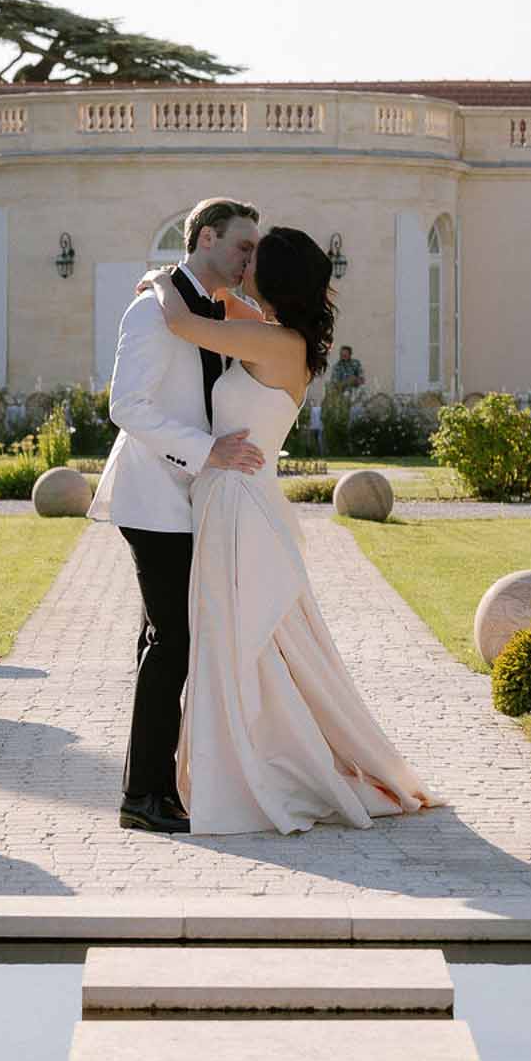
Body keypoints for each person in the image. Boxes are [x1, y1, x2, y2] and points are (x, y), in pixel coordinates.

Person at [150, 227, 442, 835]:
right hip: (237, 497)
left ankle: (255, 768)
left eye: (253, 257)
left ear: (274, 277)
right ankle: (248, 754)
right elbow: (227, 307)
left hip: (238, 504)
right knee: (254, 639)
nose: (243, 262)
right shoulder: (279, 335)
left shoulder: (271, 341)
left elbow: (180, 321)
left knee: (239, 636)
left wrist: (157, 279)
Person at [87, 196, 264, 834]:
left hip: (193, 502)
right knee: (173, 644)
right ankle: (144, 797)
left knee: (162, 644)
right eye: (243, 246)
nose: (251, 258)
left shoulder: (210, 310)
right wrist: (205, 451)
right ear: (208, 238)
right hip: (155, 499)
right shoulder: (150, 310)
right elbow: (125, 407)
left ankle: (153, 789)